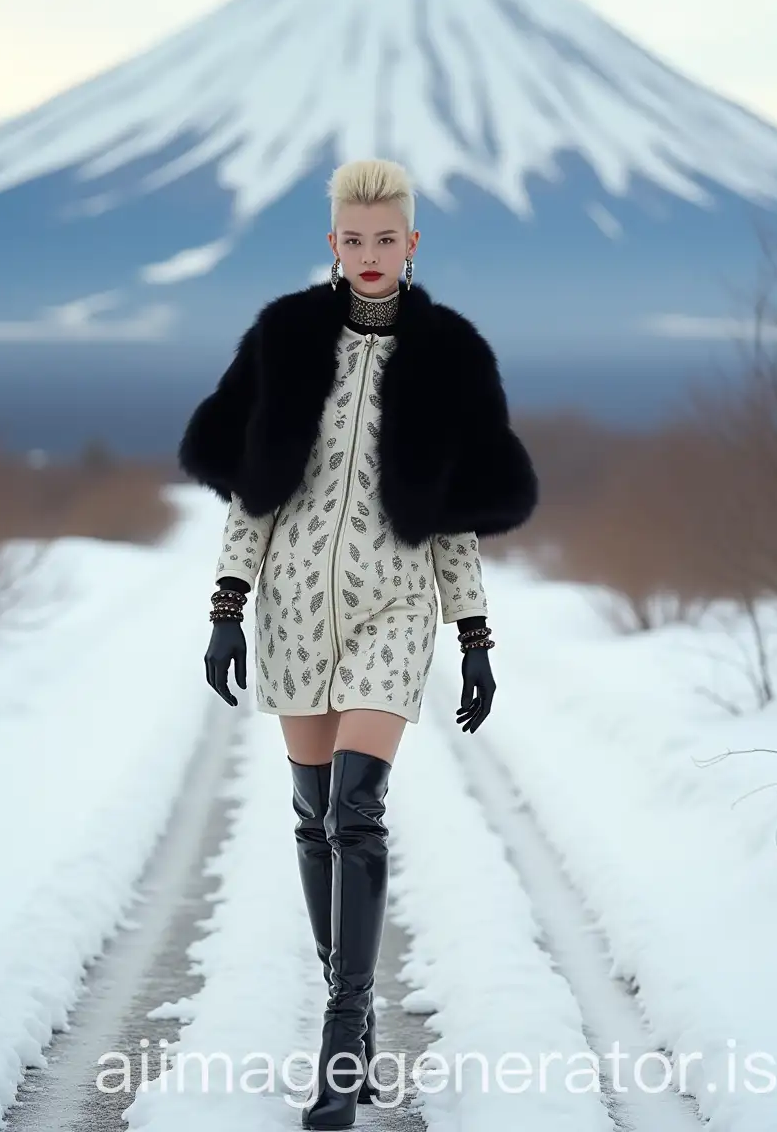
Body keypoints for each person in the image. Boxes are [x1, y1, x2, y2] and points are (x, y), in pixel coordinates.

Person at [177, 158, 538, 1128]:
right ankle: (355, 1012)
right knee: (310, 818)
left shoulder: (446, 354)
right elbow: (257, 489)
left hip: (395, 607)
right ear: (331, 242)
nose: (370, 254)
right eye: (354, 237)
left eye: (387, 238)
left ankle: (344, 1034)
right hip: (291, 609)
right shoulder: (287, 342)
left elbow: (456, 514)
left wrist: (472, 634)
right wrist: (225, 605)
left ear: (411, 243)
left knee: (355, 808)